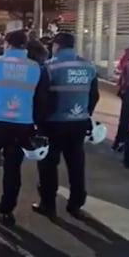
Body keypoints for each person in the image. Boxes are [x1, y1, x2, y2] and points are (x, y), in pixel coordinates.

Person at [0, 29, 50, 227]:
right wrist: (39, 127)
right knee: (13, 168)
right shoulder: (36, 68)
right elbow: (41, 100)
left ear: (7, 44)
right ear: (25, 45)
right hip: (22, 124)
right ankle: (6, 210)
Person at [33, 32, 99, 219]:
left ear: (56, 46)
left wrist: (39, 122)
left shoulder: (49, 67)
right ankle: (76, 203)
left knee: (48, 164)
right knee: (76, 162)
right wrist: (86, 114)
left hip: (54, 123)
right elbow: (94, 95)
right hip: (78, 122)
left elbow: (41, 98)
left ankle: (48, 204)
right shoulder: (88, 67)